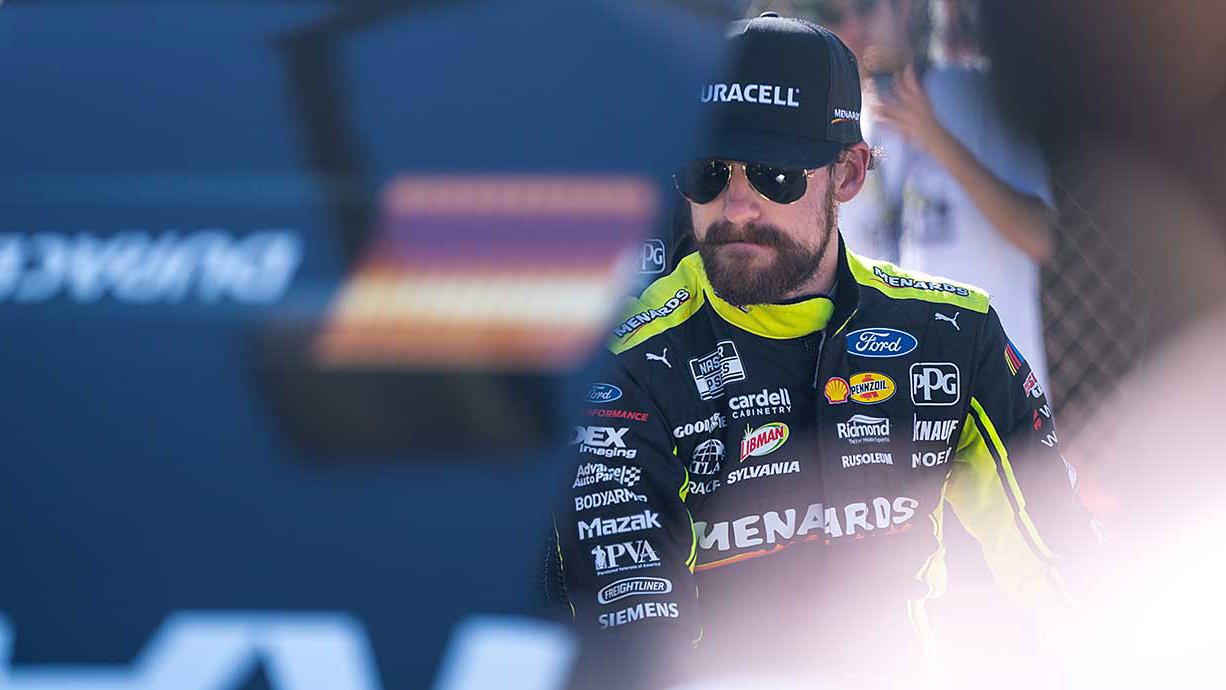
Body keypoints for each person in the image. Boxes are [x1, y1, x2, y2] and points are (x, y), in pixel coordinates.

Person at [552, 13, 1092, 689]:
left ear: (849, 173)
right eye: (708, 173)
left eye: (774, 175)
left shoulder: (953, 334)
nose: (736, 207)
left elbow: (1069, 572)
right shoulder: (622, 370)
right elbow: (633, 645)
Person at [830, 0, 1057, 387]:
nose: (852, 27)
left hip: (999, 394)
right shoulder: (849, 128)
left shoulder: (976, 93)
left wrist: (938, 140)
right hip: (905, 401)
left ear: (904, 9)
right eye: (835, 16)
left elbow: (1040, 236)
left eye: (866, 8)